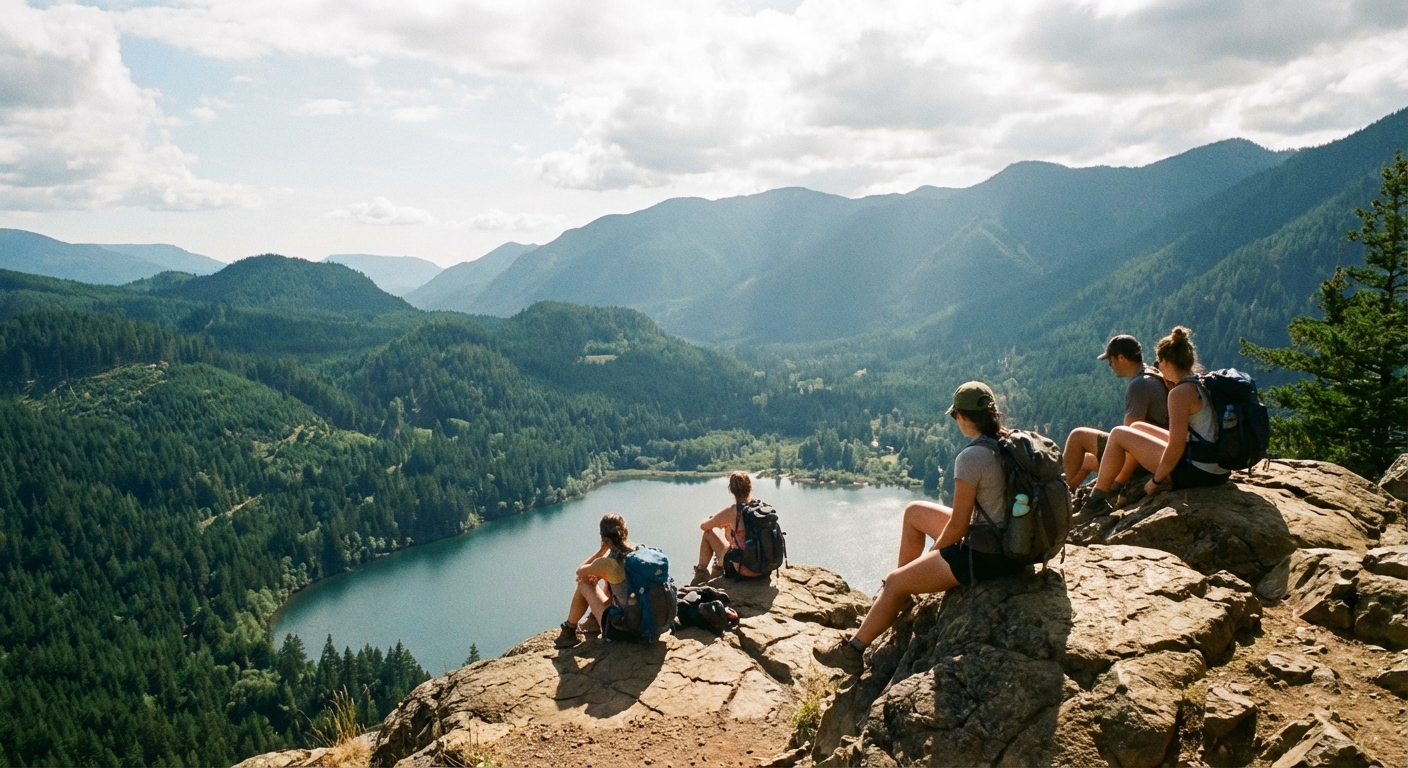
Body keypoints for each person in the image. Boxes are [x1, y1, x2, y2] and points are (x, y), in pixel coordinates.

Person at [813, 381, 1025, 673]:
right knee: (915, 512)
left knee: (896, 580)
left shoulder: (972, 457)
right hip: (1017, 540)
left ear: (961, 417)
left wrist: (932, 555)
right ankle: (902, 597)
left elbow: (958, 527)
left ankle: (854, 649)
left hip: (990, 555)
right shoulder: (1012, 442)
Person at [1082, 326, 1230, 518]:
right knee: (1137, 428)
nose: (1157, 367)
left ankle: (1097, 502)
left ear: (1167, 361)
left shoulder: (1179, 393)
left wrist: (1156, 481)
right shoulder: (1200, 382)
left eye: (1159, 361)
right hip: (1215, 465)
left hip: (1200, 472)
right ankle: (1116, 483)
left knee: (1119, 433)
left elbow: (1175, 446)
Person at [1062, 334, 1170, 492]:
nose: (1110, 365)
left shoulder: (1138, 386)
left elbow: (1130, 442)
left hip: (1145, 459)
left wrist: (1119, 481)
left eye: (1110, 360)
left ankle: (1060, 494)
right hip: (1159, 451)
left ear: (1121, 358)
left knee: (1078, 436)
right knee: (1085, 461)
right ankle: (1069, 492)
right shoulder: (1153, 374)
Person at [555, 513, 635, 649]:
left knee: (583, 583)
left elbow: (580, 572)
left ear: (604, 538)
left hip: (624, 630)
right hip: (647, 623)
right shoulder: (638, 552)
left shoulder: (608, 562)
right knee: (608, 582)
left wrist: (601, 551)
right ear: (625, 532)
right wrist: (599, 575)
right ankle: (593, 620)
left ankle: (568, 631)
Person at [692, 471, 757, 584]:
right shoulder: (759, 508)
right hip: (761, 568)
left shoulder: (732, 511)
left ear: (731, 490)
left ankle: (701, 574)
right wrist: (728, 527)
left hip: (743, 569)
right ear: (750, 487)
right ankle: (716, 569)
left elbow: (704, 526)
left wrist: (714, 519)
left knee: (708, 533)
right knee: (731, 542)